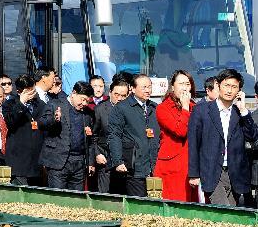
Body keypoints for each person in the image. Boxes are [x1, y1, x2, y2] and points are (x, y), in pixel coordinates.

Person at [188, 68, 256, 206]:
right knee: (224, 211)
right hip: (211, 171)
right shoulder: (202, 110)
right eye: (226, 85)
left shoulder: (239, 112)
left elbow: (253, 136)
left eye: (234, 87)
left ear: (239, 90)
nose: (230, 90)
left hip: (235, 173)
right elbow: (194, 143)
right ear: (218, 86)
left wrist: (243, 110)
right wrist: (193, 174)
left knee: (230, 215)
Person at [108, 74, 161, 197]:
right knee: (138, 204)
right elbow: (114, 135)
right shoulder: (122, 108)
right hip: (133, 166)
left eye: (149, 86)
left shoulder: (154, 107)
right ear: (132, 88)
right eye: (144, 87)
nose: (148, 90)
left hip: (153, 166)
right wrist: (118, 161)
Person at [40, 81, 93, 190]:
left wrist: (90, 162)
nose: (84, 103)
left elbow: (91, 140)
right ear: (73, 93)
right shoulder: (55, 104)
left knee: (76, 200)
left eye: (87, 101)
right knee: (59, 198)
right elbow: (42, 123)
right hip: (58, 161)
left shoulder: (88, 113)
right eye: (82, 99)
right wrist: (54, 119)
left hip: (79, 163)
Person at [153, 70, 197, 202]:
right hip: (172, 165)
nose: (185, 87)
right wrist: (185, 108)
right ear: (172, 87)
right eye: (181, 83)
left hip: (192, 164)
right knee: (176, 205)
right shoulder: (162, 108)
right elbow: (180, 131)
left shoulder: (195, 107)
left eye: (188, 84)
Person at [4, 74, 55, 186]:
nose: (32, 94)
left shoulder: (40, 104)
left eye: (33, 90)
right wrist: (21, 103)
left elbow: (46, 125)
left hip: (36, 159)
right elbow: (10, 123)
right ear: (19, 91)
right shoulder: (10, 104)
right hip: (18, 159)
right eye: (29, 92)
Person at [91, 79, 129, 193]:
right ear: (110, 92)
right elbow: (93, 136)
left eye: (123, 95)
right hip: (105, 158)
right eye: (116, 94)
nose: (119, 98)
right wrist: (97, 154)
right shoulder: (100, 110)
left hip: (124, 160)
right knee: (105, 195)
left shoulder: (130, 111)